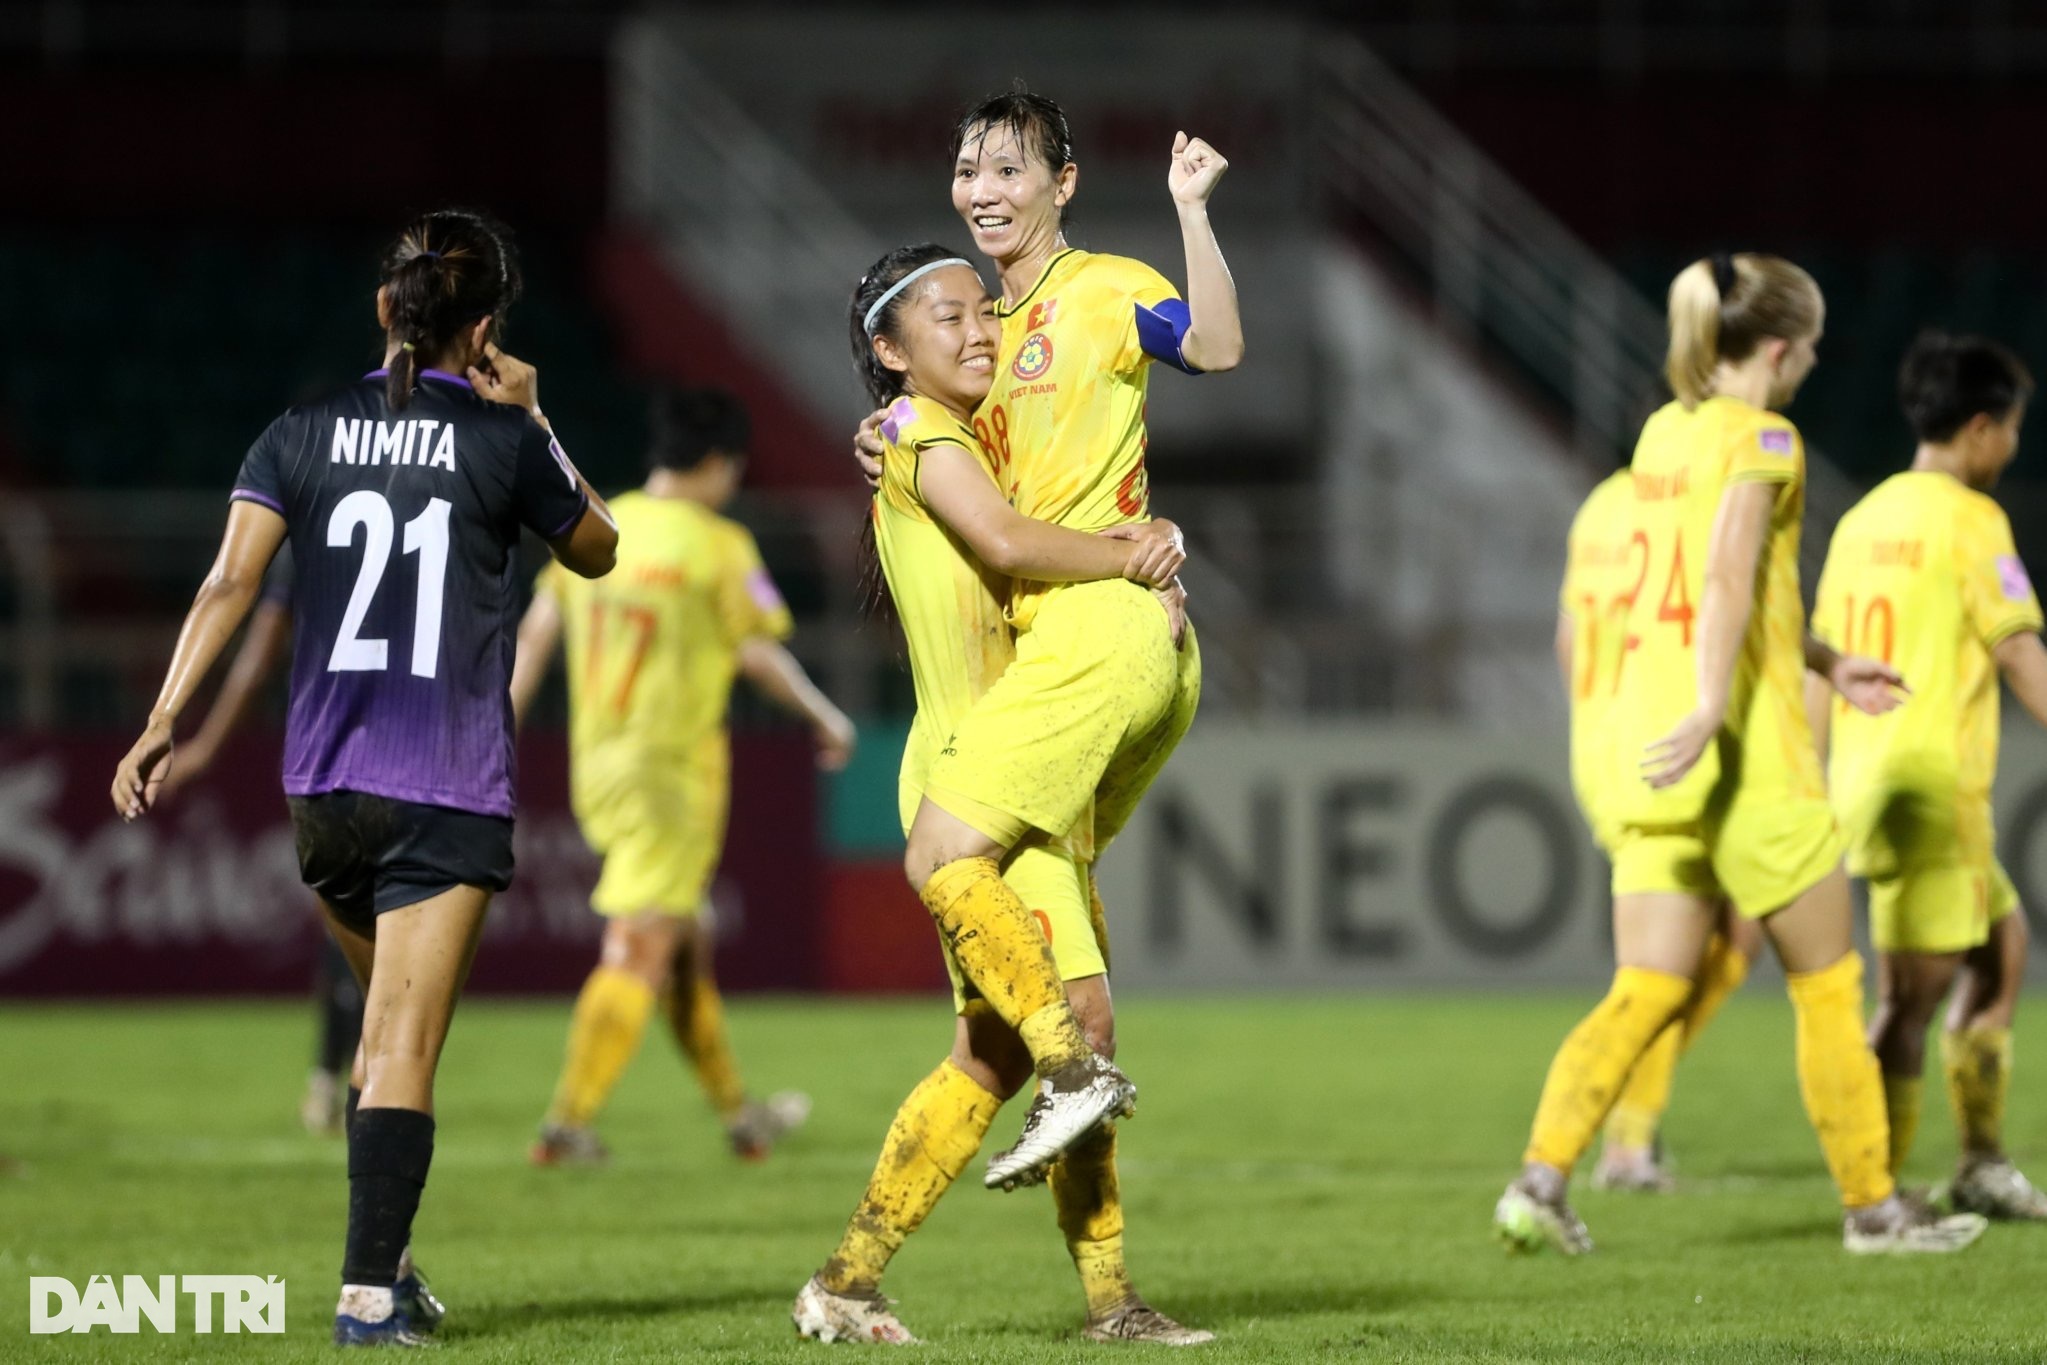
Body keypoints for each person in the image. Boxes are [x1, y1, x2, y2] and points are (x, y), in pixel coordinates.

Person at [111, 208, 618, 1346]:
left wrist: (161, 720)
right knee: (399, 1047)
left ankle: (386, 1267)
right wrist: (534, 413)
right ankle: (365, 1301)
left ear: (385, 308)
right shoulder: (501, 438)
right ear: (483, 327)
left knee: (381, 1031)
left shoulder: (294, 433)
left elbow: (226, 588)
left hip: (324, 791)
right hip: (441, 781)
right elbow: (599, 544)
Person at [1491, 252, 1986, 1256]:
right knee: (1826, 984)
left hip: (1651, 741)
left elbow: (1719, 592)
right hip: (1744, 750)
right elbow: (1721, 577)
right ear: (1777, 347)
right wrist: (1723, 700)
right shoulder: (1766, 436)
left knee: (1647, 983)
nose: (1806, 367)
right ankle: (1872, 1208)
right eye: (1805, 349)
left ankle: (1539, 1182)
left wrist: (1823, 658)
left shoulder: (1662, 436)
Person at [794, 245, 1201, 1348]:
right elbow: (1013, 541)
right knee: (1082, 1031)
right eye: (945, 317)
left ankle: (847, 1282)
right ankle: (1109, 1297)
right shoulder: (919, 434)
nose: (979, 330)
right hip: (975, 766)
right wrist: (1132, 561)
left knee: (988, 1052)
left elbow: (1031, 532)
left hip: (1018, 752)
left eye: (983, 312)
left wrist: (1139, 536)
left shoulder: (950, 438)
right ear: (889, 352)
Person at [845, 89, 1239, 1199]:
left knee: (960, 887)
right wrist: (878, 427)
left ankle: (1066, 1098)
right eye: (968, 171)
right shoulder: (964, 327)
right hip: (1027, 660)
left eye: (1010, 171)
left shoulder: (1107, 290)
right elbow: (924, 443)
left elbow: (1213, 344)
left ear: (1062, 185)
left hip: (1095, 631)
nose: (983, 191)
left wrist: (1191, 214)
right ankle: (877, 1276)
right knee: (1044, 1010)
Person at [510, 387, 852, 1166]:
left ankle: (740, 1116)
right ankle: (567, 1122)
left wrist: (499, 727)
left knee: (684, 944)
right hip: (669, 772)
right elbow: (757, 650)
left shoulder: (598, 521)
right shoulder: (716, 544)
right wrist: (825, 717)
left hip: (597, 764)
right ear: (717, 462)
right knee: (639, 945)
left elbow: (534, 633)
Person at [1808, 331, 2047, 1220]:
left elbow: (1817, 657)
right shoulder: (1970, 518)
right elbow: (2018, 648)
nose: (2012, 446)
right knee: (1909, 999)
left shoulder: (1864, 518)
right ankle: (1872, 1194)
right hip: (1928, 789)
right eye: (2011, 428)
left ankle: (1980, 1162)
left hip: (1878, 777)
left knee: (2000, 949)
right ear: (1982, 428)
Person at [1555, 471, 1763, 1193]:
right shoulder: (1701, 493)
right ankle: (1606, 1147)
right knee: (1663, 970)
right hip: (1674, 743)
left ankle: (1623, 1133)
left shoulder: (1600, 505)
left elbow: (1568, 636)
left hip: (1607, 741)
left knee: (1728, 939)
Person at [159, 547, 366, 1137]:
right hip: (419, 748)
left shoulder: (310, 514)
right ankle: (364, 1085)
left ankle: (335, 1082)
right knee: (399, 932)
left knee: (349, 924)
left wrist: (204, 744)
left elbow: (261, 647)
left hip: (324, 752)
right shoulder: (431, 497)